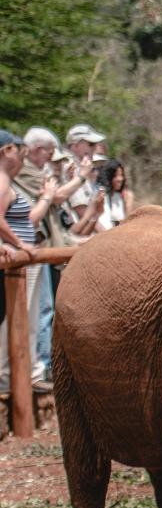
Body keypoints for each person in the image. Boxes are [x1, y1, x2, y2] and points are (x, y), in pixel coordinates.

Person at [0, 129, 51, 393]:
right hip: (16, 263)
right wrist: (18, 244)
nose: (20, 156)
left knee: (27, 320)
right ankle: (9, 379)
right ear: (5, 151)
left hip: (24, 261)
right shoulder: (1, 181)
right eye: (15, 150)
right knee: (13, 321)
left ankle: (21, 376)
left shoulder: (7, 180)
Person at [94, 158, 135, 228]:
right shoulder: (101, 194)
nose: (120, 179)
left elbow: (127, 223)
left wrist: (128, 204)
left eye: (121, 175)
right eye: (116, 176)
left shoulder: (121, 196)